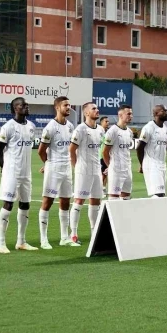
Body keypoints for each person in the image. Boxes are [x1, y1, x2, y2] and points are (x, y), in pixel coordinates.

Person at [0, 97, 38, 254]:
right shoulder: (8, 127)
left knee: (25, 204)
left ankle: (21, 241)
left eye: (27, 104)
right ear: (15, 108)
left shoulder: (31, 126)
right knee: (8, 204)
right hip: (12, 172)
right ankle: (1, 243)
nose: (27, 107)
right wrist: (4, 168)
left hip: (26, 172)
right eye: (23, 105)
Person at [39, 96, 76, 248]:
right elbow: (41, 151)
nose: (68, 107)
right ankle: (43, 239)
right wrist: (48, 164)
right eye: (65, 105)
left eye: (69, 105)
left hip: (67, 168)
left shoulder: (70, 126)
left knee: (65, 201)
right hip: (54, 167)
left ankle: (64, 237)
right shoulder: (50, 127)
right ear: (57, 107)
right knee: (47, 201)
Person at [69, 103, 106, 245]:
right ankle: (73, 234)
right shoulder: (80, 129)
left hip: (96, 170)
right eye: (93, 109)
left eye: (97, 108)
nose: (97, 110)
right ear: (86, 113)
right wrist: (76, 166)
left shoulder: (101, 129)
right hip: (83, 170)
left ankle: (94, 234)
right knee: (79, 201)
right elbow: (71, 150)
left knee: (95, 201)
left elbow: (100, 150)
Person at [103, 105, 134, 200]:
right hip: (116, 170)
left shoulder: (129, 132)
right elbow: (105, 152)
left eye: (131, 114)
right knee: (114, 199)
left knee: (126, 197)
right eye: (128, 114)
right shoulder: (113, 131)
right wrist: (111, 166)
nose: (131, 116)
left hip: (127, 169)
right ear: (120, 115)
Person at [137, 105, 167, 198]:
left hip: (162, 165)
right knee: (158, 194)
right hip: (152, 164)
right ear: (156, 113)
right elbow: (139, 147)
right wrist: (142, 164)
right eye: (163, 111)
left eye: (166, 111)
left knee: (162, 195)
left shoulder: (165, 128)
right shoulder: (148, 128)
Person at [98, 116, 111, 192]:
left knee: (106, 172)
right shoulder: (98, 132)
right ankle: (100, 188)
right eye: (106, 121)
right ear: (101, 122)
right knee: (102, 173)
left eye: (108, 121)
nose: (108, 123)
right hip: (100, 156)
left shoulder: (109, 132)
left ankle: (103, 188)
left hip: (107, 155)